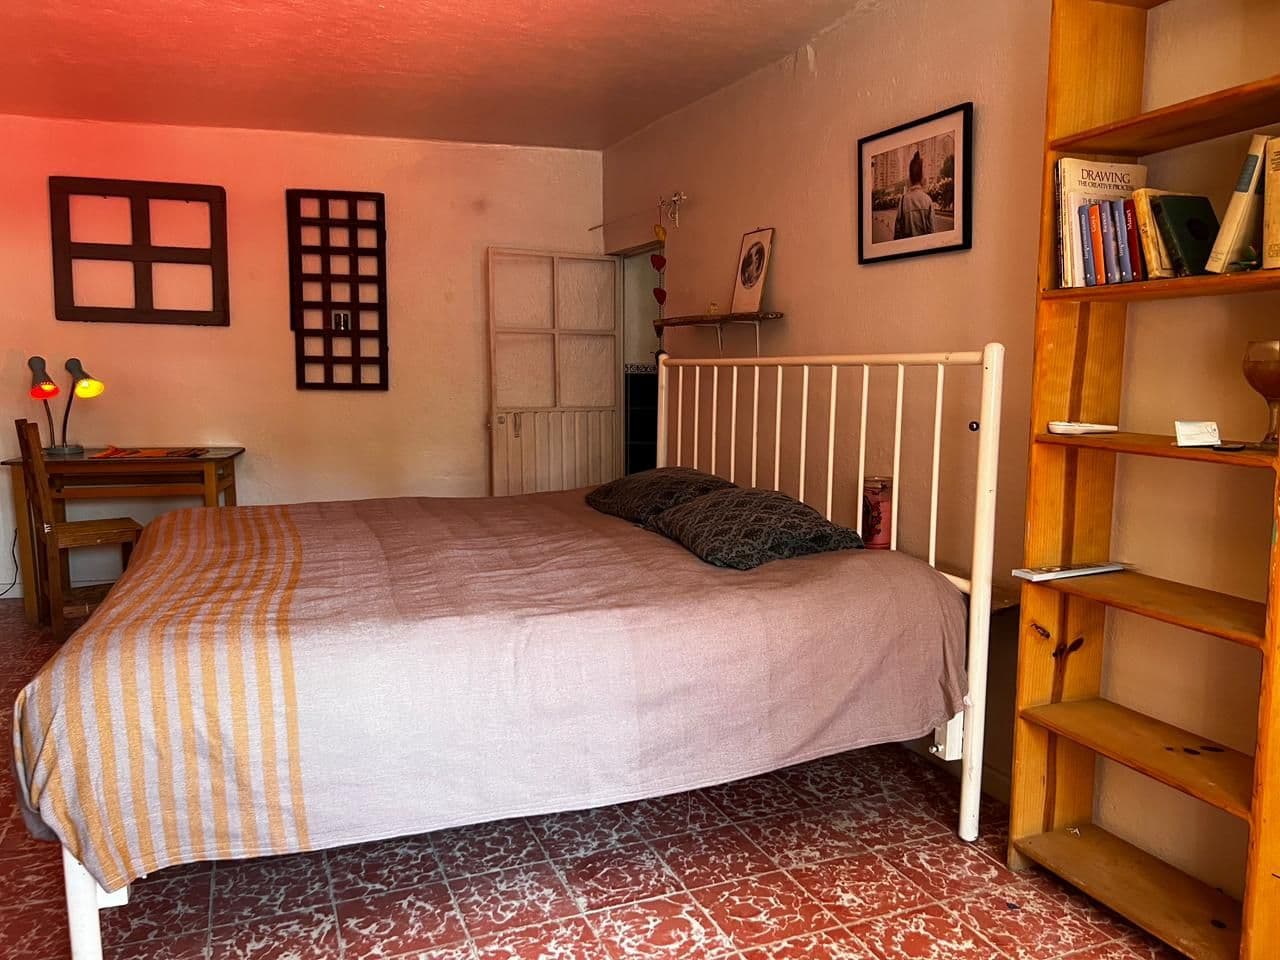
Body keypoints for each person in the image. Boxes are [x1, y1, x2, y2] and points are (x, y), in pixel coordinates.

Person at [893, 151, 935, 239]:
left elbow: (897, 232)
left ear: (910, 178)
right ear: (922, 178)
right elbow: (931, 232)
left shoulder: (903, 201)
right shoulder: (928, 200)